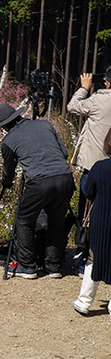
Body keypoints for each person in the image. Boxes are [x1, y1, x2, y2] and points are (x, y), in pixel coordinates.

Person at [0, 102, 76, 279]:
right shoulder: (45, 124)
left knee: (24, 220)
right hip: (65, 178)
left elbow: (8, 170)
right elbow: (63, 153)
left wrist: (6, 183)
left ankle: (27, 265)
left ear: (4, 126)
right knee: (57, 221)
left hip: (39, 182)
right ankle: (53, 266)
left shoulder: (8, 141)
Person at [67, 70, 111, 245]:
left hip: (94, 167)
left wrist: (84, 88)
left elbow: (72, 107)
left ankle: (84, 258)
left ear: (107, 82)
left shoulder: (98, 100)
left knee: (87, 212)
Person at [73, 156, 111, 316]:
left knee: (93, 258)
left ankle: (84, 301)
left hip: (101, 220)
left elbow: (88, 192)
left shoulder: (100, 166)